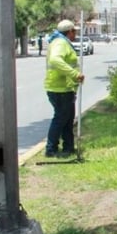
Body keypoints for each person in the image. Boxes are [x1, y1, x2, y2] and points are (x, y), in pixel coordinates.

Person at [44, 19, 85, 157]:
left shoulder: (62, 42)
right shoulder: (60, 43)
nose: (76, 35)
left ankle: (68, 147)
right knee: (61, 118)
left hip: (66, 89)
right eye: (74, 32)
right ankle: (51, 149)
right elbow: (55, 60)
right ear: (69, 32)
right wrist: (74, 74)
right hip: (59, 89)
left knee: (68, 119)